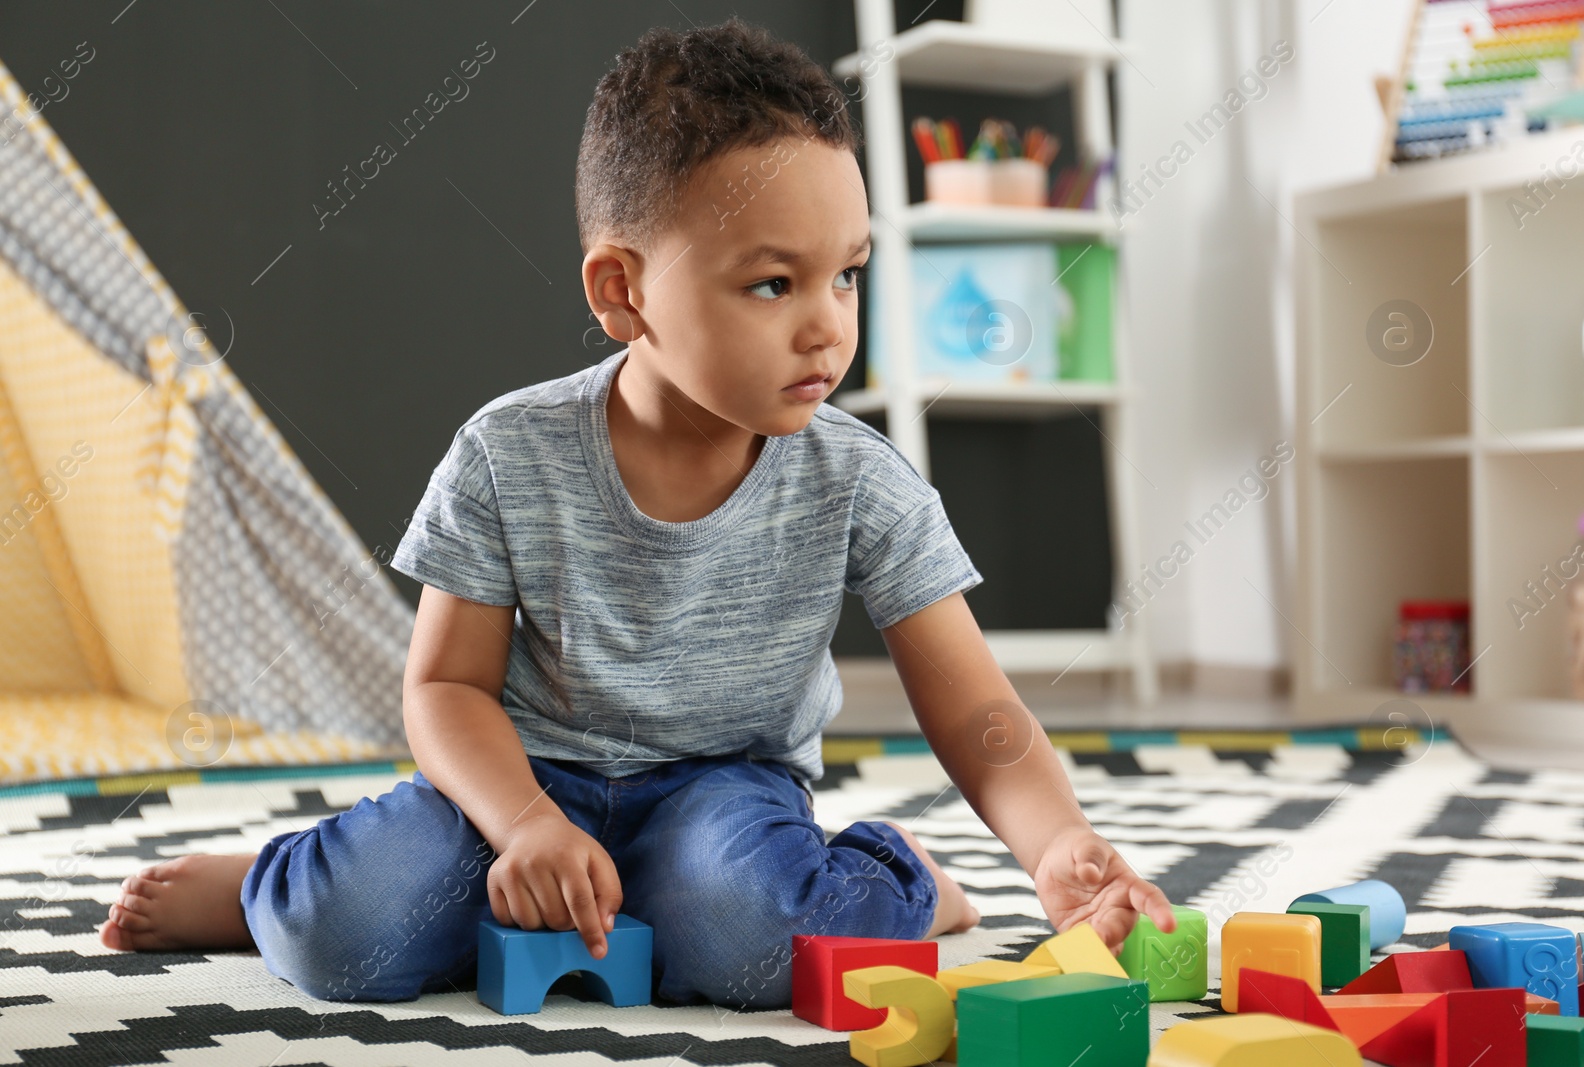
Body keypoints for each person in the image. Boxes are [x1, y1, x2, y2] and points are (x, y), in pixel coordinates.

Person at [98, 15, 1174, 1010]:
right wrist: (523, 823)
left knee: (752, 939)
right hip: (519, 786)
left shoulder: (858, 477)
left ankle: (900, 876)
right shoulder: (507, 452)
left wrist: (1057, 846)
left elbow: (978, 718)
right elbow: (443, 685)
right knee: (348, 934)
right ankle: (263, 885)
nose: (826, 329)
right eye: (771, 285)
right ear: (623, 292)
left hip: (725, 799)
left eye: (846, 275)